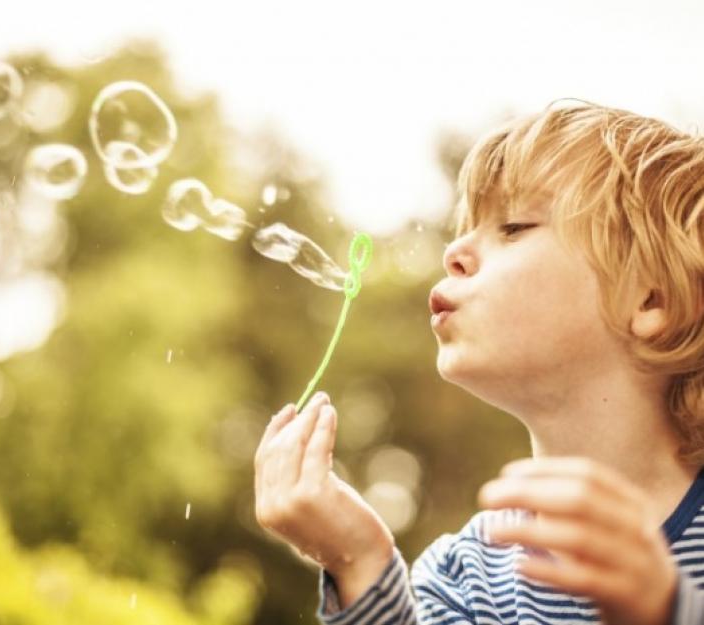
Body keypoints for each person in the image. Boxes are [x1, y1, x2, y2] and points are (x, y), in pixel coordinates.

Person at [253, 100, 704, 624]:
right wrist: (359, 562)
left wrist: (668, 609)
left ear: (652, 300)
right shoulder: (464, 577)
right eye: (464, 229)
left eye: (513, 227)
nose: (455, 252)